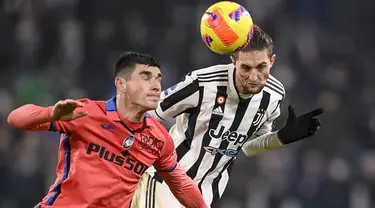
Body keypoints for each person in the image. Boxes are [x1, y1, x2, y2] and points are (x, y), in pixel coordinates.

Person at [131, 25, 324, 208]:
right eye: (246, 68)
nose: (254, 76)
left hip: (208, 194)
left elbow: (249, 147)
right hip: (165, 182)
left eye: (261, 67)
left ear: (272, 61)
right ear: (233, 61)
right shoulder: (202, 84)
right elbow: (147, 113)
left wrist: (283, 137)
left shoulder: (274, 95)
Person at [7, 52, 208, 208]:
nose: (157, 86)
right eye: (146, 77)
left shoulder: (159, 138)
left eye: (158, 78)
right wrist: (51, 114)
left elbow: (181, 184)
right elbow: (15, 119)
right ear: (121, 84)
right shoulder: (85, 113)